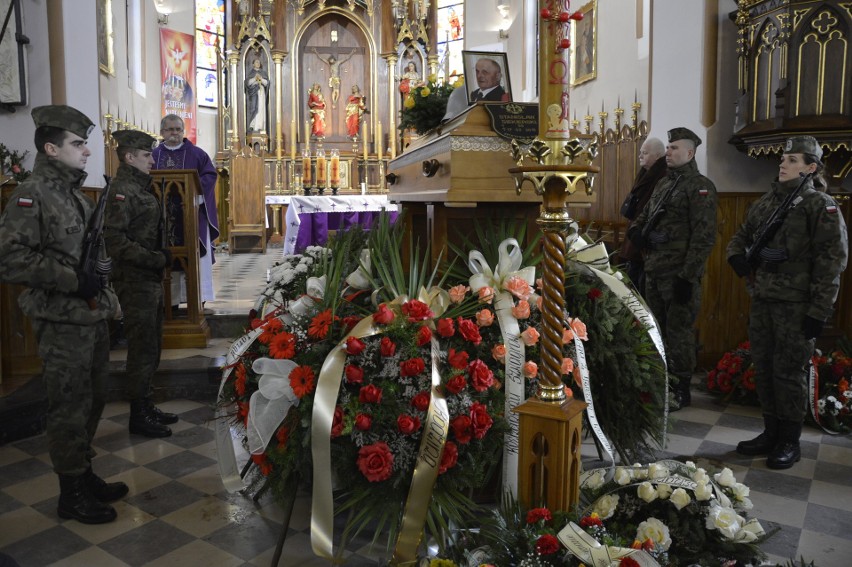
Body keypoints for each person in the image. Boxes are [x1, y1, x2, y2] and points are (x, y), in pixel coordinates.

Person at [0, 105, 124, 524]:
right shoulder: (30, 194)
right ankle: (70, 492)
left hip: (90, 317)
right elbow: (10, 261)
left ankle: (83, 473)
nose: (86, 152)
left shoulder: (72, 193)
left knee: (93, 400)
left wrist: (100, 281)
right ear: (51, 148)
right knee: (69, 406)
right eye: (77, 144)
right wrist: (74, 281)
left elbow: (87, 254)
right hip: (62, 320)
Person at [727, 136, 848, 469]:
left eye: (793, 159)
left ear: (811, 168)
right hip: (764, 299)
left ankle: (789, 441)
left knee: (788, 373)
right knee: (764, 369)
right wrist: (737, 256)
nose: (783, 163)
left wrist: (819, 311)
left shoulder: (819, 205)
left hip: (797, 305)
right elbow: (741, 235)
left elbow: (832, 261)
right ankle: (770, 432)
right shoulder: (766, 203)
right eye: (783, 158)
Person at [627, 127, 717, 411]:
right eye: (667, 147)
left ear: (689, 153)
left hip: (678, 275)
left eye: (674, 147)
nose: (668, 152)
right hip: (654, 270)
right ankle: (660, 383)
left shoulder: (700, 187)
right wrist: (638, 233)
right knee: (657, 329)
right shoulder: (665, 184)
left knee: (678, 333)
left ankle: (680, 389)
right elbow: (643, 216)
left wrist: (687, 277)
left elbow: (703, 237)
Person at [105, 130, 178, 439]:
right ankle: (138, 414)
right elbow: (115, 241)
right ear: (129, 157)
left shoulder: (139, 187)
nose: (152, 159)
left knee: (152, 344)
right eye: (147, 155)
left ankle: (146, 403)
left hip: (147, 278)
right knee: (141, 347)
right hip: (134, 279)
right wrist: (154, 258)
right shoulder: (122, 191)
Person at [152, 114, 220, 307]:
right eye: (170, 129)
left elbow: (209, 175)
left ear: (183, 131)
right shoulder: (154, 155)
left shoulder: (197, 154)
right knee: (167, 255)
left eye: (178, 129)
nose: (174, 133)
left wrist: (193, 195)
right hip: (163, 217)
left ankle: (197, 299)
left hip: (191, 214)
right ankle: (170, 301)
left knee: (195, 254)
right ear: (162, 132)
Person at [618, 137, 668, 294]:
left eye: (645, 153)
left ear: (658, 156)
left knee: (641, 289)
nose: (640, 156)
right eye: (640, 152)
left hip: (646, 241)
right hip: (635, 232)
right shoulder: (646, 173)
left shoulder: (663, 176)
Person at [245, 58, 269, 133]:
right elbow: (248, 83)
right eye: (256, 62)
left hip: (261, 92)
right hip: (254, 93)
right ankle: (253, 125)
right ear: (253, 64)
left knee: (261, 108)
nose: (258, 63)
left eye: (259, 62)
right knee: (254, 108)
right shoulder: (251, 73)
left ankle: (260, 126)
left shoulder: (263, 73)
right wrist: (255, 78)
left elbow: (266, 83)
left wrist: (261, 79)